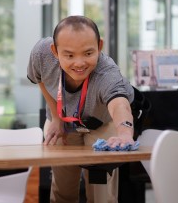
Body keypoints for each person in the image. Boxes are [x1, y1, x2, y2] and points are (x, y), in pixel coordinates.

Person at [27, 15, 135, 203]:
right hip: (63, 120)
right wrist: (56, 118)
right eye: (69, 55)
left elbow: (119, 104)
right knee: (62, 187)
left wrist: (125, 133)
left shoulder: (107, 72)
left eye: (88, 53)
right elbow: (40, 79)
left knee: (101, 191)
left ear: (99, 46)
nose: (79, 63)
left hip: (101, 123)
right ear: (55, 51)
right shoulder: (41, 53)